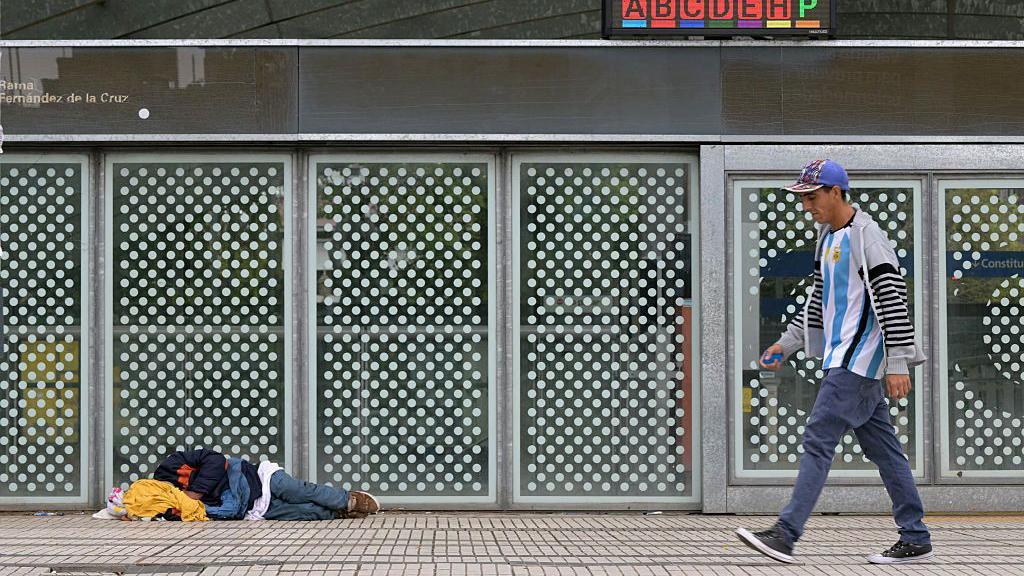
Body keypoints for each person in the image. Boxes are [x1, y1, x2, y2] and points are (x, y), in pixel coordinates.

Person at [736, 160, 932, 565]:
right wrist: (786, 344)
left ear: (836, 192)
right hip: (840, 356)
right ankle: (915, 535)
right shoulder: (827, 237)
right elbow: (818, 302)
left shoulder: (868, 238)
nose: (807, 206)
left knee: (818, 438)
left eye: (812, 197)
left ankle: (785, 535)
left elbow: (892, 300)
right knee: (886, 451)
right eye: (803, 198)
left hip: (859, 360)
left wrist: (898, 361)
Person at [153, 448, 380, 521]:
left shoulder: (171, 466)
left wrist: (195, 492)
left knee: (296, 490)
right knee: (304, 512)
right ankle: (338, 513)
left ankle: (348, 499)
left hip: (259, 478)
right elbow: (201, 514)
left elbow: (215, 459)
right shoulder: (169, 507)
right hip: (251, 508)